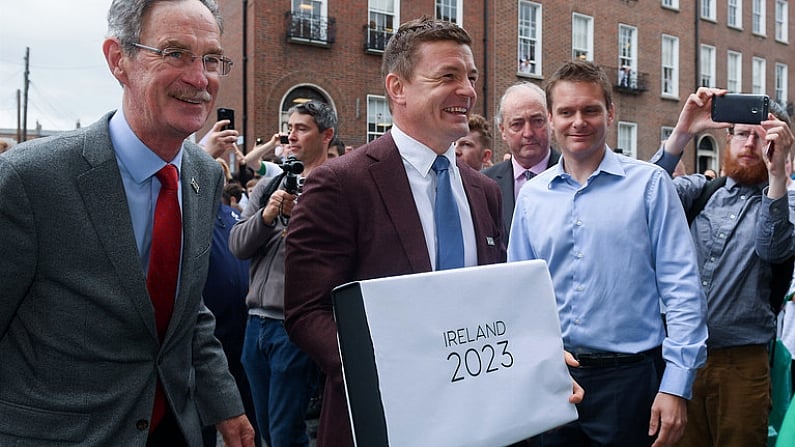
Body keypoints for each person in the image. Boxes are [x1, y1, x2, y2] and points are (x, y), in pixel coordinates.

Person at [0, 0, 255, 445]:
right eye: (175, 53)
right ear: (119, 60)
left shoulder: (206, 175)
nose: (199, 78)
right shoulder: (30, 180)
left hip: (176, 429)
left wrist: (226, 406)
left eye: (211, 59)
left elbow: (188, 310)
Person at [282, 17, 509, 447]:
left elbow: (493, 303)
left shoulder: (485, 191)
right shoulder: (340, 183)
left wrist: (532, 359)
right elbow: (306, 312)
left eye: (471, 77)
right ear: (397, 88)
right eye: (448, 75)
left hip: (478, 419)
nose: (468, 90)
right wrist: (388, 373)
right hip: (382, 423)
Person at [508, 60, 708, 447]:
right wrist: (535, 360)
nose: (578, 122)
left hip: (631, 383)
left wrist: (677, 384)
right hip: (554, 379)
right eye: (566, 112)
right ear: (551, 118)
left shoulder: (650, 186)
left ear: (610, 113)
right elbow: (519, 294)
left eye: (590, 110)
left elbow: (682, 289)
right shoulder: (532, 197)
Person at [652, 88, 795, 447]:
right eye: (741, 133)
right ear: (727, 138)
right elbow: (641, 194)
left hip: (742, 365)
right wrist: (682, 132)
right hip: (682, 361)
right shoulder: (701, 191)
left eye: (760, 137)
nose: (749, 144)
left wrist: (777, 176)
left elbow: (774, 248)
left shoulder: (783, 201)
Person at [228, 100, 337, 447]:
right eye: (289, 128)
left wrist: (303, 223)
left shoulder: (337, 187)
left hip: (293, 324)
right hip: (255, 323)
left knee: (285, 433)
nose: (291, 136)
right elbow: (237, 245)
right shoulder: (271, 183)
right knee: (263, 430)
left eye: (301, 128)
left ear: (327, 135)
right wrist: (266, 216)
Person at [483, 82, 560, 238]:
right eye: (517, 124)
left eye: (537, 121)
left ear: (550, 121)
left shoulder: (575, 175)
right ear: (502, 130)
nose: (528, 133)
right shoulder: (484, 185)